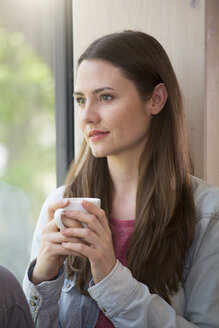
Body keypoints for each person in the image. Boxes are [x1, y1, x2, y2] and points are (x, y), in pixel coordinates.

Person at [23, 30, 219, 327]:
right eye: (79, 100)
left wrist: (110, 275)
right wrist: (42, 277)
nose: (87, 116)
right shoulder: (60, 203)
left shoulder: (208, 214)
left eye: (105, 97)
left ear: (156, 99)